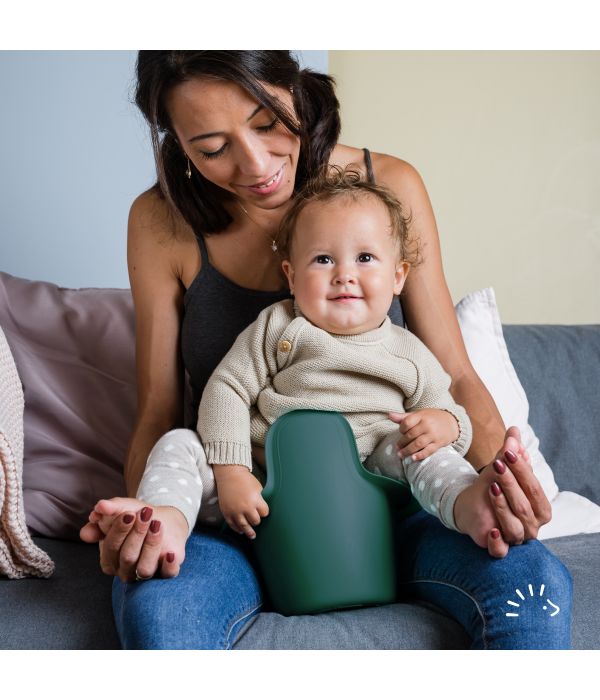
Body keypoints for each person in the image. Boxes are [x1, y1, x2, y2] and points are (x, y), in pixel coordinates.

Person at [80, 51, 571, 649]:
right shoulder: (161, 221)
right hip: (247, 508)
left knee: (531, 586)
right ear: (175, 143)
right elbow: (160, 413)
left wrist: (500, 491)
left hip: (393, 495)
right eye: (211, 148)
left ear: (297, 88)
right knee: (160, 613)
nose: (256, 164)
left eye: (266, 123)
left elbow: (452, 375)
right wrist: (153, 515)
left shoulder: (388, 185)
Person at [126, 167, 508, 552]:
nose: (344, 275)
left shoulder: (407, 352)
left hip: (370, 484)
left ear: (398, 277)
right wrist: (232, 472)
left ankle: (466, 503)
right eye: (324, 259)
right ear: (291, 277)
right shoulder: (278, 327)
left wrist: (445, 424)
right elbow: (227, 388)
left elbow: (447, 409)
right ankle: (165, 521)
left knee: (422, 452)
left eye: (364, 257)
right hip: (263, 485)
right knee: (178, 444)